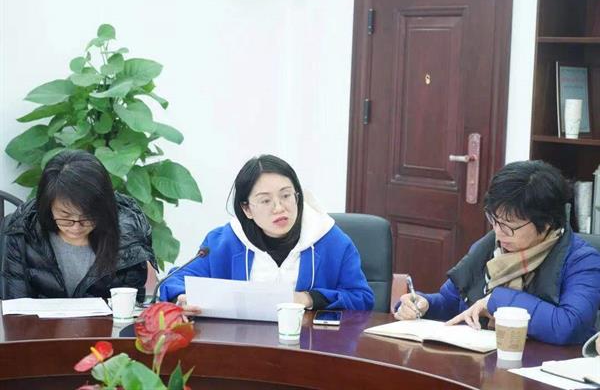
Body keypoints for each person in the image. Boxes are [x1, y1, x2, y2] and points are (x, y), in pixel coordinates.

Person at [394, 160, 600, 345]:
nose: (498, 232)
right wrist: (424, 304)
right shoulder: (489, 246)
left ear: (546, 223)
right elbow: (451, 303)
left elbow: (569, 325)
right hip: (483, 359)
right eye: (494, 220)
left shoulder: (582, 260)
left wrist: (496, 302)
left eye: (510, 226)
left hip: (542, 367)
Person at [159, 154, 374, 312]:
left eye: (286, 196)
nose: (279, 208)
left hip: (311, 348)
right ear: (247, 209)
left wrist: (308, 298)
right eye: (265, 200)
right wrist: (182, 297)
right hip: (242, 348)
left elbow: (362, 298)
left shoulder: (332, 240)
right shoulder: (223, 242)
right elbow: (174, 282)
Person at [0, 150, 157, 302]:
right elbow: (15, 305)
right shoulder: (21, 230)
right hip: (38, 321)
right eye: (65, 217)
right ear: (48, 206)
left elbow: (130, 303)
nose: (76, 227)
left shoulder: (128, 231)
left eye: (87, 217)